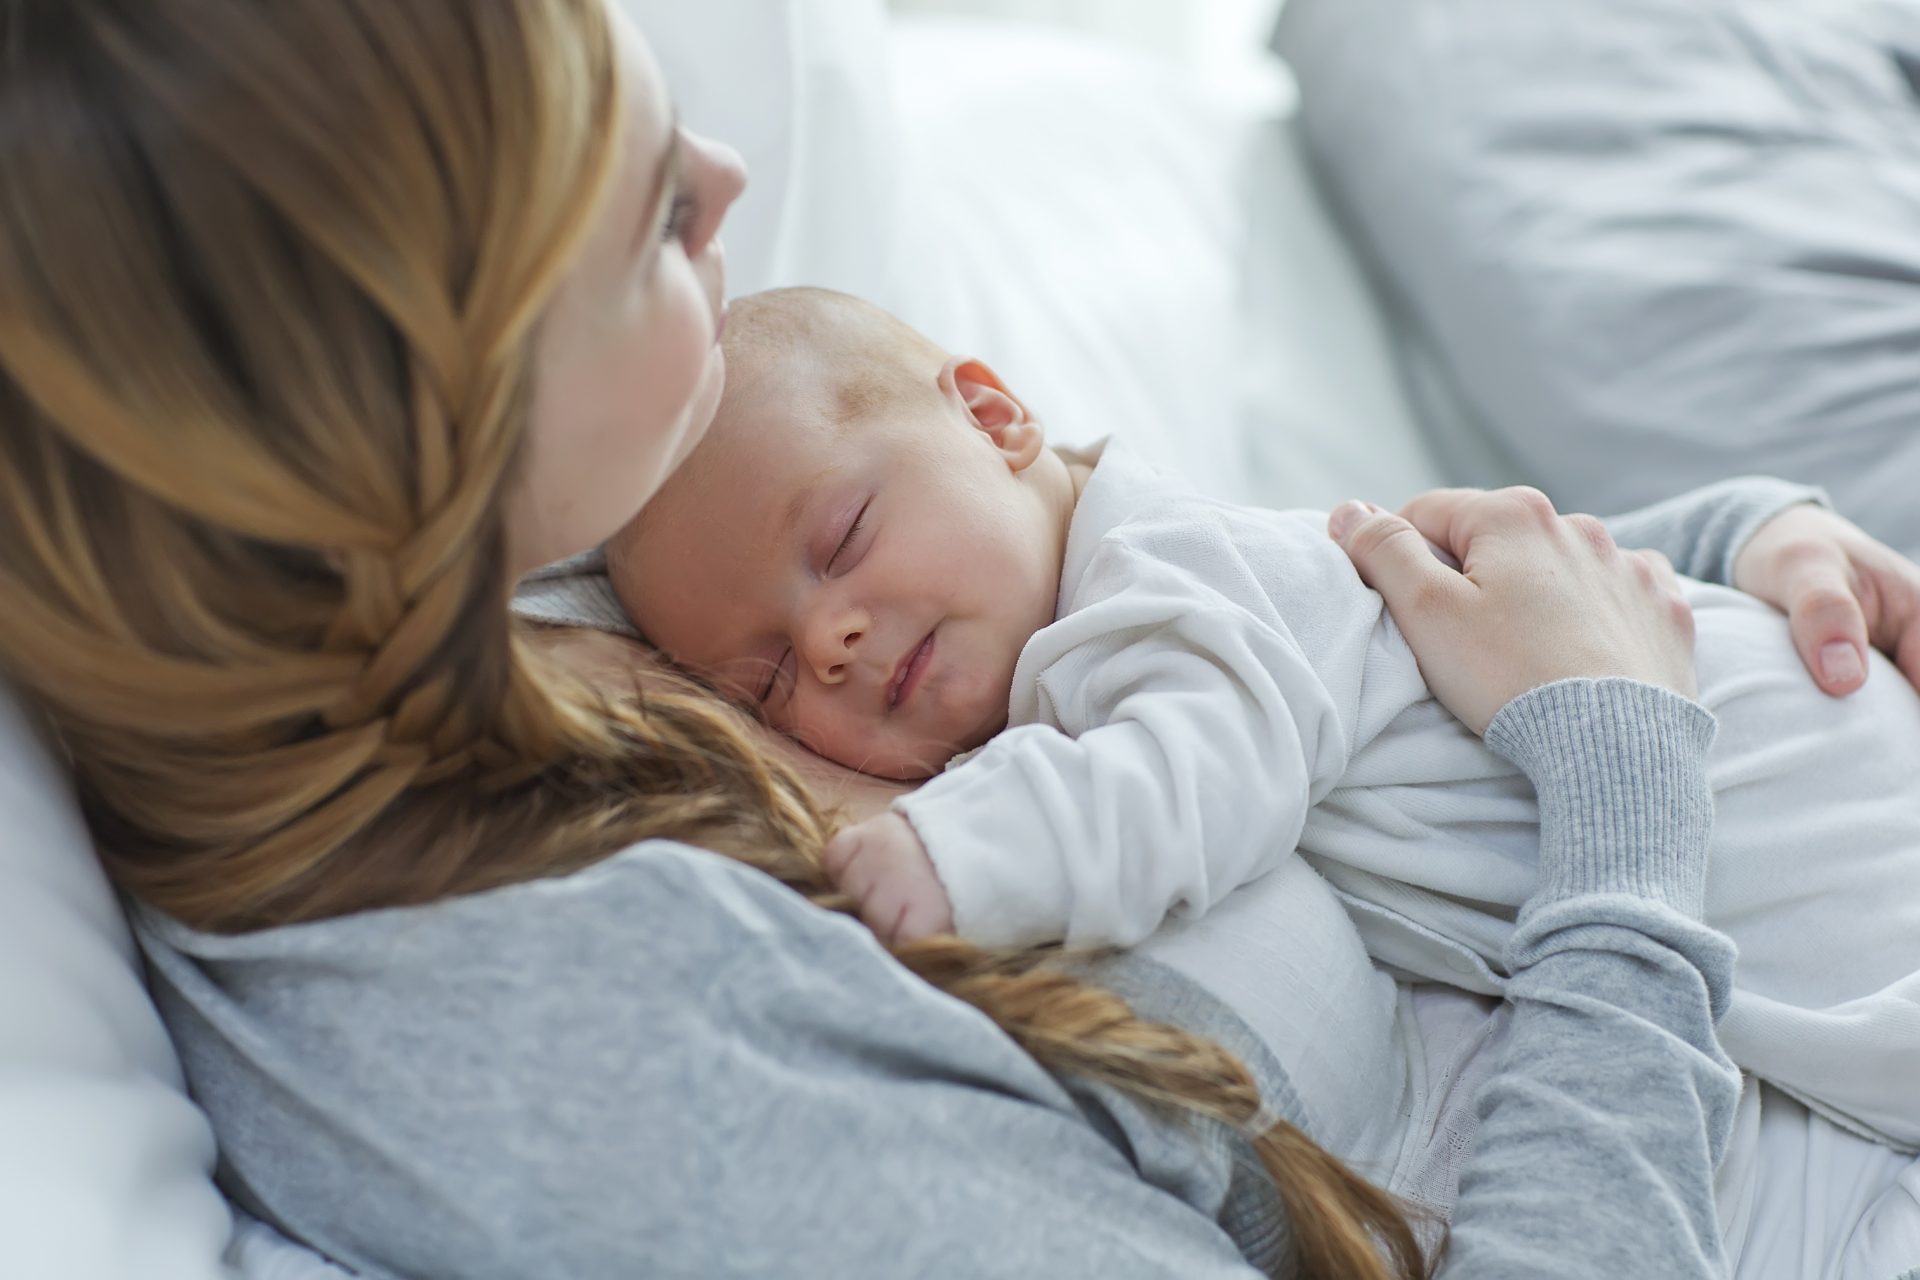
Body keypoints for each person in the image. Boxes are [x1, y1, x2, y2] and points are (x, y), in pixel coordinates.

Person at [0, 2, 1907, 1277]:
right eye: (644, 215)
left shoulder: (592, 554)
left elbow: (1297, 582)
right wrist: (1622, 791)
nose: (731, 179)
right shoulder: (590, 1040)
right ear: (406, 410)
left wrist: (1720, 547)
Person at [612, 287, 1920, 1152]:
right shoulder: (1164, 587)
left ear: (998, 419)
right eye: (768, 682)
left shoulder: (1163, 581)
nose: (828, 643)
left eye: (841, 537)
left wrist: (955, 857)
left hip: (1799, 797)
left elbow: (1201, 772)